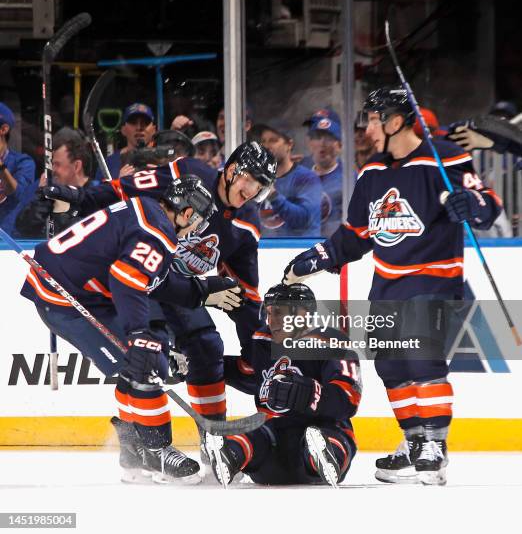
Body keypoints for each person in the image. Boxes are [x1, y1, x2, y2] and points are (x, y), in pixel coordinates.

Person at [283, 87, 502, 485]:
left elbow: (488, 202)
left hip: (434, 278)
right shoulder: (372, 174)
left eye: (372, 119)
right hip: (387, 284)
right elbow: (356, 235)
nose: (365, 129)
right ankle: (415, 442)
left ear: (396, 120)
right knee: (390, 364)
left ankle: (436, 444)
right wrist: (319, 256)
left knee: (421, 357)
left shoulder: (444, 158)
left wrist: (473, 206)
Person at [41, 142, 277, 453]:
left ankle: (214, 443)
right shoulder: (188, 174)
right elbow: (123, 190)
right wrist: (79, 199)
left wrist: (256, 348)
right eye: (252, 181)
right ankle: (134, 445)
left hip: (177, 287)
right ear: (234, 170)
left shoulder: (246, 226)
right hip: (140, 276)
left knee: (206, 346)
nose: (253, 191)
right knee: (145, 353)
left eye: (261, 188)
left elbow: (243, 294)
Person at [20, 175, 241, 483]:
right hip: (64, 298)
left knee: (139, 361)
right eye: (197, 224)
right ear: (187, 214)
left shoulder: (146, 209)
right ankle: (157, 453)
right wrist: (139, 334)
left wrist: (200, 290)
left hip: (71, 290)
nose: (194, 232)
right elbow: (127, 281)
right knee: (147, 359)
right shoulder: (157, 232)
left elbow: (153, 279)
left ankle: (133, 452)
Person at [204, 282, 361, 487]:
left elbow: (347, 400)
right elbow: (247, 373)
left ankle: (323, 456)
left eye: (279, 312)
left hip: (318, 433)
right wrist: (199, 366)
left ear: (303, 313)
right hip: (273, 452)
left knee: (328, 435)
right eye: (269, 313)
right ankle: (230, 453)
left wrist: (307, 393)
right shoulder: (263, 341)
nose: (272, 321)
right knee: (254, 432)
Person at [16, 127, 94, 238]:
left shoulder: (98, 195)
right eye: (52, 164)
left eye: (57, 164)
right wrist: (41, 198)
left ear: (77, 166)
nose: (53, 170)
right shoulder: (49, 191)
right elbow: (23, 230)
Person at [258, 124, 322, 238]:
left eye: (273, 140)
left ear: (289, 145)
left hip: (298, 249)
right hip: (263, 248)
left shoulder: (307, 178)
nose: (267, 146)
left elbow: (305, 219)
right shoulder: (257, 177)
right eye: (263, 141)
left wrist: (273, 195)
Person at [304, 112, 344, 238]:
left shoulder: (349, 178)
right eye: (317, 136)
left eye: (329, 137)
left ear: (339, 145)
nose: (322, 143)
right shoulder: (298, 173)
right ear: (310, 143)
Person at [0, 102, 35, 235]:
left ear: (3, 129)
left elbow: (17, 194)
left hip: (9, 245)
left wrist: (1, 168)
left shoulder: (24, 162)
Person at [97, 103, 157, 180]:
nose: (139, 127)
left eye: (145, 122)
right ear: (123, 130)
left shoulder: (165, 160)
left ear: (154, 130)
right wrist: (119, 183)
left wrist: (162, 177)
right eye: (133, 122)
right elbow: (100, 191)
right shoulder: (108, 164)